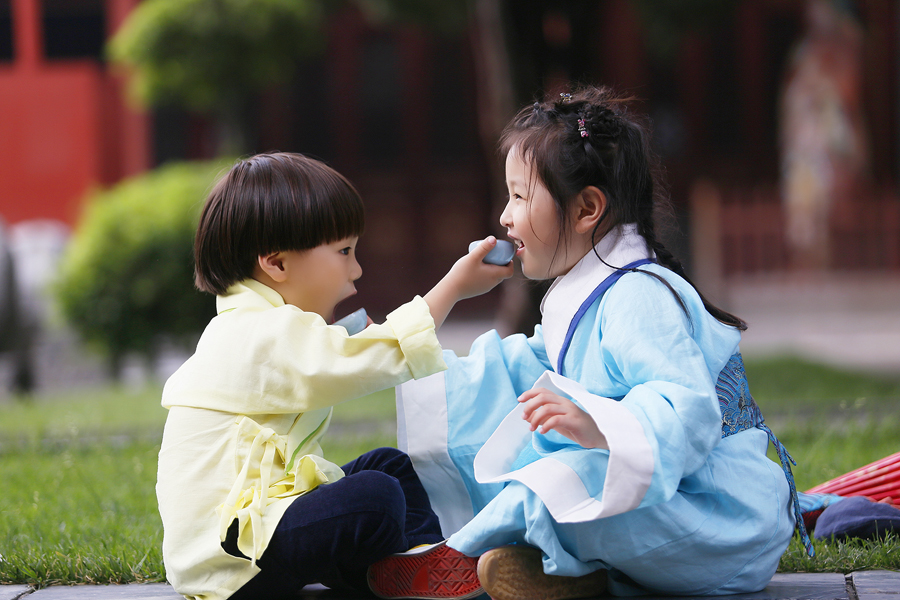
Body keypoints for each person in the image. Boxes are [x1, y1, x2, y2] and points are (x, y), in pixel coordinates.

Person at [396, 87, 810, 600]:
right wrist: (433, 370)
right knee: (521, 422)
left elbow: (688, 406)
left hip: (722, 522)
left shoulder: (637, 295)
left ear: (588, 207)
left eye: (520, 197)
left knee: (559, 480)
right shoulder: (594, 292)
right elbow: (528, 370)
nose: (504, 216)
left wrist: (600, 424)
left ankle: (458, 557)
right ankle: (567, 574)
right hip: (675, 510)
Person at [156, 152, 512, 600]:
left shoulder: (251, 328)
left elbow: (325, 360)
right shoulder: (260, 333)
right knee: (375, 496)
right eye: (344, 251)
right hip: (233, 558)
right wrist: (454, 289)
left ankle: (418, 560)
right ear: (277, 264)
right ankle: (387, 567)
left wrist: (346, 339)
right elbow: (362, 361)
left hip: (254, 531)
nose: (356, 269)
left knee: (388, 465)